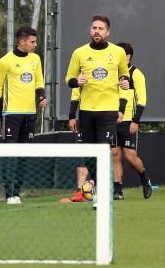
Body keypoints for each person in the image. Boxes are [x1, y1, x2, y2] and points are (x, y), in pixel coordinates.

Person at [65, 15, 129, 200]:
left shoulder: (117, 52)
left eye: (101, 29)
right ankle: (97, 185)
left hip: (108, 111)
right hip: (86, 111)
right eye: (94, 28)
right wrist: (77, 81)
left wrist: (124, 83)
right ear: (90, 30)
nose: (97, 31)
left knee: (103, 149)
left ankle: (101, 190)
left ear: (108, 32)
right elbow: (69, 79)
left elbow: (125, 76)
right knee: (90, 154)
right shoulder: (79, 53)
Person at [0, 26, 46, 204]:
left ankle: (17, 192)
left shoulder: (36, 59)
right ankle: (8, 194)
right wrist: (3, 116)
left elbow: (39, 82)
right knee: (10, 153)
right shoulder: (5, 62)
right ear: (21, 41)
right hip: (11, 114)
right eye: (32, 41)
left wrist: (42, 97)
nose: (35, 44)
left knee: (24, 153)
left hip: (30, 114)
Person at [109, 42, 155, 199]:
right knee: (114, 154)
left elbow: (142, 100)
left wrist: (136, 121)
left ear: (129, 56)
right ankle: (118, 190)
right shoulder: (111, 73)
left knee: (130, 156)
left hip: (129, 121)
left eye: (123, 55)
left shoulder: (136, 74)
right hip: (112, 120)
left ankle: (144, 179)